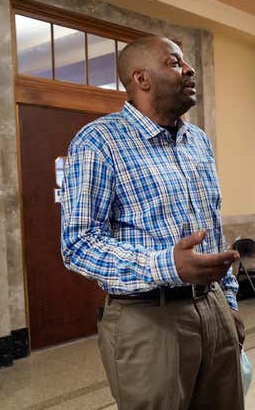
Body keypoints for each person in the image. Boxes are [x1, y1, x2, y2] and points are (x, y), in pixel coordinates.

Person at [61, 36, 244, 410]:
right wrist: (168, 265)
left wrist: (228, 303)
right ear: (141, 78)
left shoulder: (197, 141)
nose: (189, 69)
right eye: (175, 63)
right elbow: (79, 244)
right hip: (147, 320)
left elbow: (213, 229)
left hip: (213, 311)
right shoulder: (99, 141)